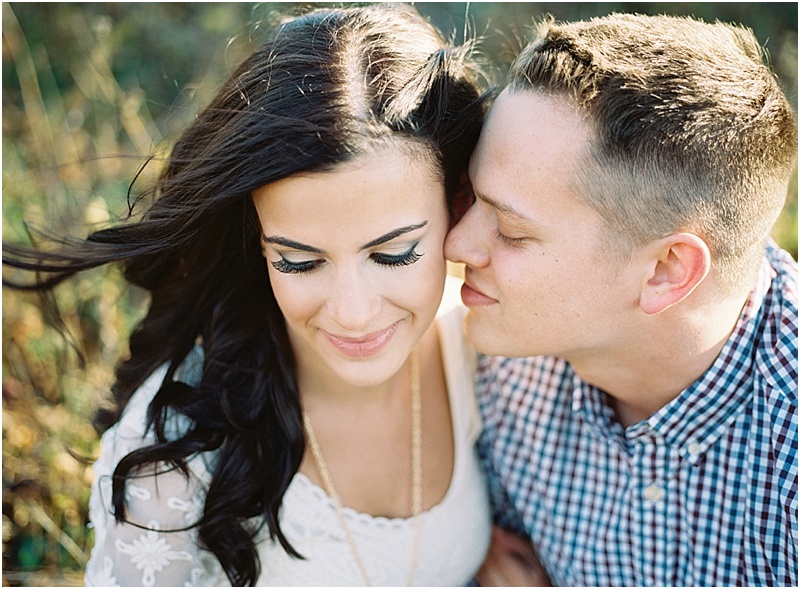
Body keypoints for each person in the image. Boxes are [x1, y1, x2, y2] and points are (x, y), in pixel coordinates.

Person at [3, 4, 492, 586]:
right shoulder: (175, 455)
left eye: (393, 255)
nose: (354, 313)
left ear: (456, 207)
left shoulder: (487, 350)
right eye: (300, 262)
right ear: (257, 244)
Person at [444, 12, 798, 587]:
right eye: (470, 198)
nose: (457, 244)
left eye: (510, 230)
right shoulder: (498, 376)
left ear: (665, 270)